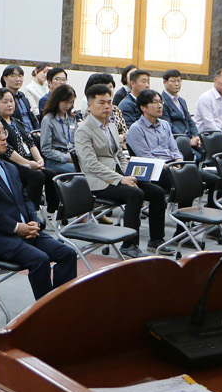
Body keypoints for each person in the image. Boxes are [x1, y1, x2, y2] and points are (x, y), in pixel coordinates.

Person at [0, 114, 76, 301]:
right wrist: (17, 227)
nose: (3, 136)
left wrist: (34, 222)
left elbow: (25, 199)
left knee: (68, 253)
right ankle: (45, 314)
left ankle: (60, 305)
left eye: (3, 131)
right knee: (40, 260)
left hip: (27, 231)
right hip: (0, 238)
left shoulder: (9, 167)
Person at [74, 82, 165, 258]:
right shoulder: (83, 130)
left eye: (109, 102)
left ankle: (156, 240)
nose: (107, 106)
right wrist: (120, 178)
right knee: (135, 194)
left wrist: (129, 173)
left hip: (119, 176)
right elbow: (90, 164)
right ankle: (129, 243)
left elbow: (120, 155)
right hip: (98, 181)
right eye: (102, 102)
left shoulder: (112, 126)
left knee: (157, 192)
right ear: (90, 106)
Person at [0, 88, 46, 208]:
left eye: (11, 101)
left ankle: (53, 210)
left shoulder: (17, 121)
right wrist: (29, 164)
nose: (9, 104)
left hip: (28, 160)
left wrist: (39, 159)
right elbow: (8, 151)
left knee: (50, 174)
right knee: (37, 177)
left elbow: (30, 142)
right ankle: (28, 210)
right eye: (5, 102)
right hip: (10, 164)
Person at [38, 84, 80, 183]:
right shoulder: (48, 120)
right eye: (66, 102)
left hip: (72, 156)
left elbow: (76, 141)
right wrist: (67, 158)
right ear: (57, 100)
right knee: (79, 171)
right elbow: (46, 150)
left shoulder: (71, 118)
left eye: (71, 102)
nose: (68, 106)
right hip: (55, 161)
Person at [160, 69, 199, 147]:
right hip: (177, 142)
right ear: (165, 82)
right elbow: (168, 126)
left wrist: (196, 136)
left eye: (179, 81)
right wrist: (187, 141)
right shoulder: (162, 101)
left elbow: (189, 121)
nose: (176, 84)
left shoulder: (181, 101)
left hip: (190, 139)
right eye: (173, 81)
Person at [194, 68, 222, 135]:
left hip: (220, 132)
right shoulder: (206, 97)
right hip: (206, 135)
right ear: (215, 80)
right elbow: (210, 125)